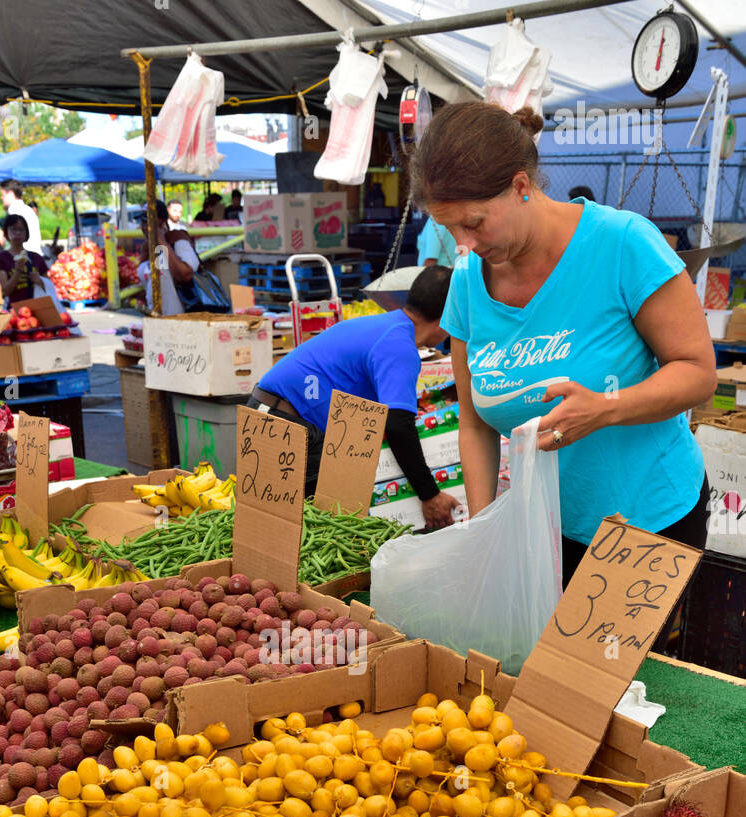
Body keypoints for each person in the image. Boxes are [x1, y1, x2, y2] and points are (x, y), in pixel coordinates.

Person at [411, 102, 717, 586]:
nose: (463, 243)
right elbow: (473, 423)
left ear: (519, 187)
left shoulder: (622, 244)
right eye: (449, 228)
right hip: (544, 529)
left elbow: (698, 374)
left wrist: (607, 407)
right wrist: (485, 529)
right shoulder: (469, 282)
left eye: (473, 222)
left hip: (645, 523)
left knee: (610, 662)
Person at [249, 265, 457, 524]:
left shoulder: (387, 325)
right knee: (312, 529)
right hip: (287, 421)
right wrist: (430, 496)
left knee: (279, 526)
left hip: (271, 410)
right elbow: (399, 427)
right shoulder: (400, 346)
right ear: (450, 314)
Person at [136, 200, 199, 314]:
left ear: (162, 222)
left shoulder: (177, 238)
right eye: (143, 221)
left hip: (181, 316)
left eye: (149, 220)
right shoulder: (147, 247)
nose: (145, 226)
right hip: (157, 317)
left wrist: (161, 240)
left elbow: (185, 274)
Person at [0, 214, 50, 305]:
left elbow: (50, 287)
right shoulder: (1, 258)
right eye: (13, 229)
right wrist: (17, 272)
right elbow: (5, 292)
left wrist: (39, 281)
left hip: (38, 308)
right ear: (6, 232)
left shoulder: (36, 258)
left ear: (26, 233)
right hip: (15, 309)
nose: (17, 233)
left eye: (21, 229)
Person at [0, 181, 42, 253]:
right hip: (31, 254)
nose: (1, 198)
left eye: (3, 195)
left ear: (10, 194)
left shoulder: (14, 210)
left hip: (24, 256)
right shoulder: (26, 209)